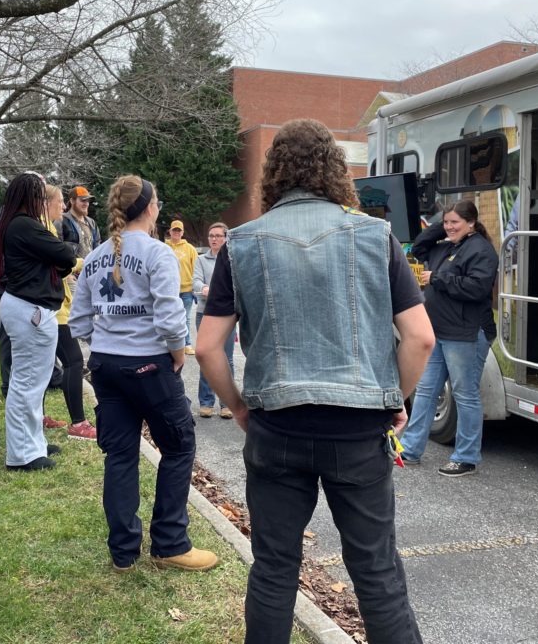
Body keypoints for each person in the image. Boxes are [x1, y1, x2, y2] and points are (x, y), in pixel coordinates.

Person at [195, 119, 434, 644]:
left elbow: (208, 347)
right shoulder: (376, 236)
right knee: (376, 574)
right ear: (334, 170)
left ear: (273, 173)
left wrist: (237, 406)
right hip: (357, 432)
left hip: (277, 428)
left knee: (274, 570)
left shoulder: (241, 243)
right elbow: (420, 339)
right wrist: (395, 396)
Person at [70, 175, 218, 573]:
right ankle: (170, 543)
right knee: (178, 446)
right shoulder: (158, 254)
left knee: (119, 455)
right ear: (150, 208)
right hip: (151, 364)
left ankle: (123, 552)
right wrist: (176, 356)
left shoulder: (97, 255)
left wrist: (104, 340)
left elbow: (79, 319)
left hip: (106, 365)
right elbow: (172, 321)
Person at [398, 200, 499, 477]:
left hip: (466, 333)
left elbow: (477, 288)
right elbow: (419, 246)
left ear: (472, 222)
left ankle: (466, 457)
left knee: (465, 394)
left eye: (455, 222)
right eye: (446, 222)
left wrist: (438, 279)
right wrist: (440, 224)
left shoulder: (481, 250)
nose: (449, 227)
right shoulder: (446, 246)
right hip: (440, 331)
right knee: (426, 391)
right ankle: (410, 449)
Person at [0, 173, 76, 470]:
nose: (44, 201)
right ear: (31, 198)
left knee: (31, 383)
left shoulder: (15, 223)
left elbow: (58, 256)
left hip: (27, 307)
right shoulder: (24, 225)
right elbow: (65, 252)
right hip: (30, 309)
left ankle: (34, 443)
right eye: (40, 195)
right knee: (26, 383)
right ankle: (22, 454)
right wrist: (59, 258)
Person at [45, 183, 98, 440]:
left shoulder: (91, 223)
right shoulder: (52, 228)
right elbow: (58, 262)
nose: (64, 207)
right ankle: (78, 423)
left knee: (42, 364)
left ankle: (39, 416)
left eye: (88, 200)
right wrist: (79, 264)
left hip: (58, 300)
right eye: (61, 202)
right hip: (58, 301)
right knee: (74, 361)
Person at [193, 222, 235, 419]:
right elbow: (196, 282)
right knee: (206, 357)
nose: (214, 239)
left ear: (226, 238)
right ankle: (206, 402)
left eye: (218, 235)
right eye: (211, 236)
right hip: (205, 313)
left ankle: (227, 404)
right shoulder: (201, 260)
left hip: (227, 315)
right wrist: (204, 289)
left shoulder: (232, 259)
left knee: (227, 358)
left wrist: (215, 291)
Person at [165, 219, 199, 354]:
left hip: (186, 289)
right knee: (168, 317)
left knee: (185, 318)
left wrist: (195, 288)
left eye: (179, 230)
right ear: (170, 231)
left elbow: (196, 269)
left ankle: (186, 344)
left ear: (182, 232)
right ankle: (169, 344)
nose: (176, 233)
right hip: (168, 289)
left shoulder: (190, 249)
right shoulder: (164, 247)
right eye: (174, 230)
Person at [59, 184, 101, 258]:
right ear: (72, 201)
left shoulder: (92, 223)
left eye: (88, 201)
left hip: (90, 268)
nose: (86, 204)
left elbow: (97, 247)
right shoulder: (61, 220)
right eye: (83, 200)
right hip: (71, 268)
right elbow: (57, 248)